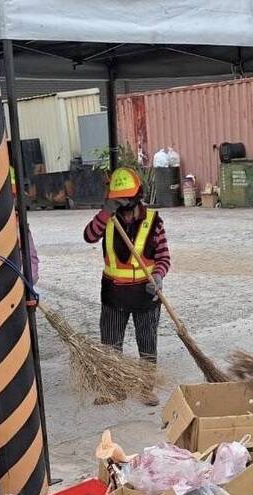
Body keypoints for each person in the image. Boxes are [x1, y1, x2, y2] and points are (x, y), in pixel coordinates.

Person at [83, 167, 170, 405]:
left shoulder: (153, 221)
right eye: (118, 201)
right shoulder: (108, 219)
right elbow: (89, 236)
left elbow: (163, 257)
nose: (124, 206)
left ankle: (145, 389)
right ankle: (114, 389)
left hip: (146, 294)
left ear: (137, 197)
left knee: (147, 345)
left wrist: (159, 277)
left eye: (127, 200)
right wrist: (105, 212)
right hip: (114, 294)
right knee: (110, 346)